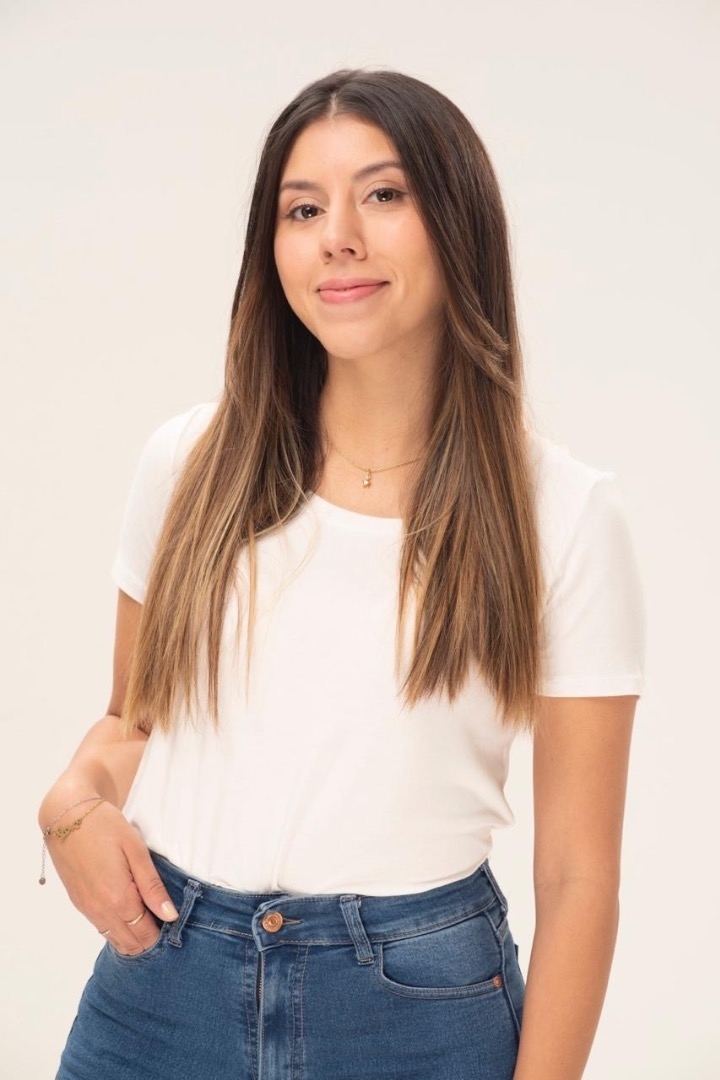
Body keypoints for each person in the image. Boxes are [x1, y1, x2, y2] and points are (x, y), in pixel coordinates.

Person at [39, 69, 645, 1080]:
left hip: (414, 1012)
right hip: (160, 997)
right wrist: (69, 805)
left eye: (385, 194)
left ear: (458, 223)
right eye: (303, 209)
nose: (339, 238)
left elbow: (579, 878)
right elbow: (131, 724)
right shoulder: (189, 465)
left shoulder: (564, 515)